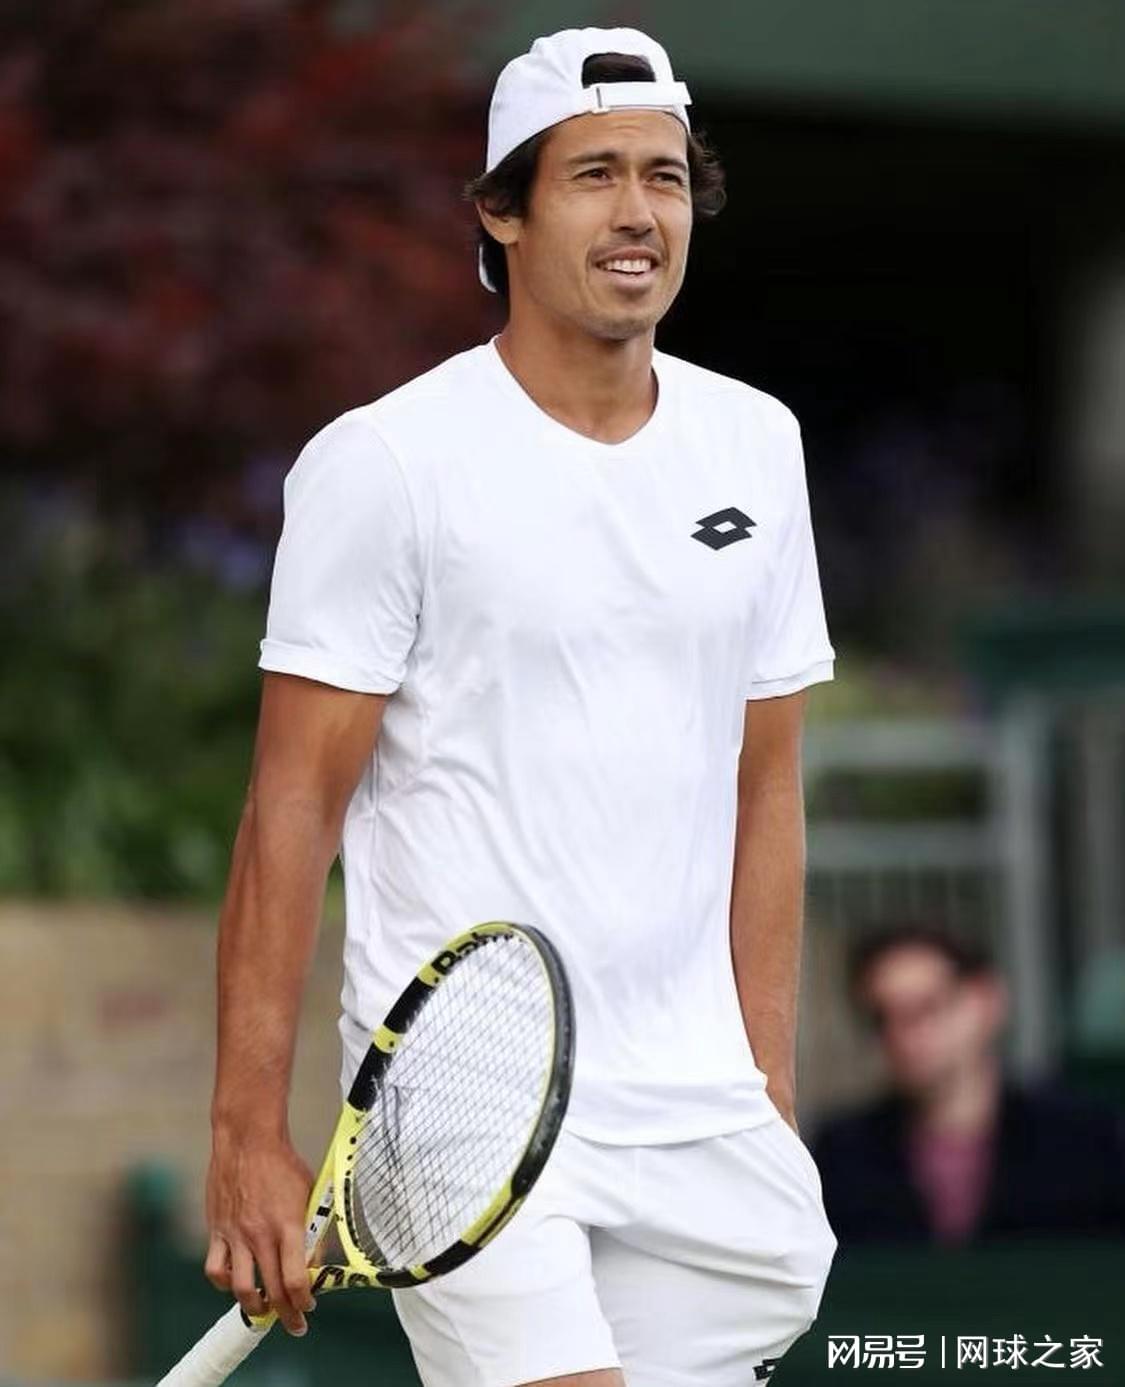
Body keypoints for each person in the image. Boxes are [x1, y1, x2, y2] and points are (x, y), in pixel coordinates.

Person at [204, 26, 838, 1387]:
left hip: (703, 1116)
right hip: (460, 1110)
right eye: (594, 175)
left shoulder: (758, 443)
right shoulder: (385, 462)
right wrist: (247, 1130)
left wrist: (766, 1083)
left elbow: (765, 784)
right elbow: (291, 804)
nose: (638, 212)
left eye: (664, 177)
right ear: (502, 211)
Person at [812, 923, 1125, 1246]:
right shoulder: (843, 1155)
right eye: (883, 1017)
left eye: (927, 1007)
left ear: (987, 1001)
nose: (903, 1035)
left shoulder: (1081, 1139)